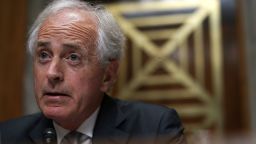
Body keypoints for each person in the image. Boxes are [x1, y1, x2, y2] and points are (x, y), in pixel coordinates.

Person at [0, 0, 186, 143]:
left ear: (108, 75)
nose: (52, 73)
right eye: (44, 55)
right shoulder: (7, 136)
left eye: (73, 57)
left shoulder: (154, 130)